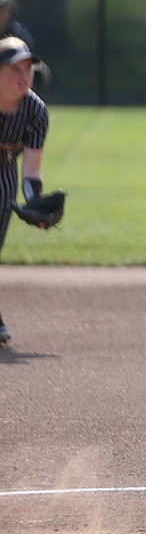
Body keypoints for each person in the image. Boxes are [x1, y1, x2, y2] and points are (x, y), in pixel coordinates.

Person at [0, 37, 53, 345]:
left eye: (28, 69)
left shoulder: (35, 112)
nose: (24, 76)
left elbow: (31, 170)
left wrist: (35, 204)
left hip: (3, 173)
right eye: (14, 69)